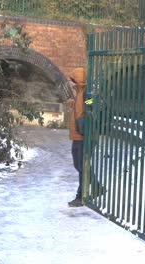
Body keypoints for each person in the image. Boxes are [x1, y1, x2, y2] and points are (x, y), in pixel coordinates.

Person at [66, 68, 86, 207]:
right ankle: (94, 188)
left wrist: (87, 104)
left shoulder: (86, 94)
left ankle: (81, 196)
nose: (71, 81)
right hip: (76, 136)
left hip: (82, 136)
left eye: (73, 79)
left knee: (81, 167)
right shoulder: (78, 93)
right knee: (79, 165)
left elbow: (91, 105)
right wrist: (73, 105)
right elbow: (79, 109)